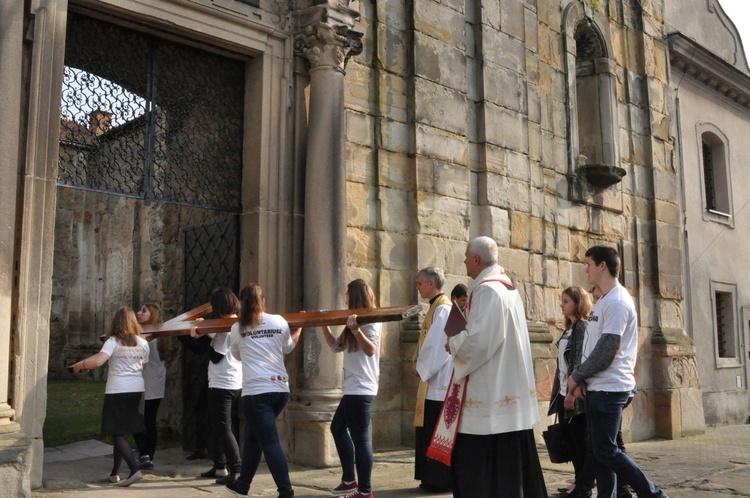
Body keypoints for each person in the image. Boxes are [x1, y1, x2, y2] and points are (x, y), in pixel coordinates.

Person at [445, 236, 547, 497]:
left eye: (466, 256)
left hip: (490, 393)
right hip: (506, 389)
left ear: (476, 259)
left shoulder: (488, 290)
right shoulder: (505, 286)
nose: (464, 261)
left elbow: (480, 341)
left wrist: (454, 344)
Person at [567, 246, 668, 498]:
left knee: (606, 451)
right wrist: (582, 379)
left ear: (603, 266)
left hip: (610, 388)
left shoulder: (618, 301)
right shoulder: (604, 300)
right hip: (599, 387)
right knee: (602, 453)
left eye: (589, 263)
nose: (586, 269)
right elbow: (592, 347)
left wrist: (577, 375)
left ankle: (654, 495)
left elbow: (607, 350)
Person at [226, 284, 302, 498]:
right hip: (279, 389)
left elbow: (236, 356)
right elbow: (288, 347)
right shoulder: (279, 320)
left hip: (256, 391)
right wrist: (298, 330)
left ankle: (286, 491)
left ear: (241, 303)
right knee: (253, 438)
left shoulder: (237, 328)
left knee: (269, 442)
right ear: (263, 301)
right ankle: (243, 485)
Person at [71, 307, 149, 487]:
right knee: (120, 430)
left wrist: (80, 365)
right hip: (136, 389)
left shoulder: (113, 341)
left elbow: (98, 361)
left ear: (116, 322)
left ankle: (134, 470)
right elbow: (143, 367)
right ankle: (114, 473)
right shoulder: (142, 343)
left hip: (117, 389)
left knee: (115, 431)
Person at [318, 279, 382, 498]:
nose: (345, 299)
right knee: (337, 428)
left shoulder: (371, 321)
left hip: (361, 387)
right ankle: (348, 480)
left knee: (361, 439)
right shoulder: (353, 321)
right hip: (352, 387)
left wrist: (356, 330)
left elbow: (371, 350)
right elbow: (337, 346)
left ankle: (365, 491)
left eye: (347, 295)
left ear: (354, 296)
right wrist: (324, 324)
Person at [190, 288, 243, 485]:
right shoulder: (232, 323)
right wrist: (203, 330)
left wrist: (200, 336)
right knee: (217, 425)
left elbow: (216, 355)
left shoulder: (229, 327)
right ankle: (220, 465)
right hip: (230, 380)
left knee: (223, 428)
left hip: (224, 382)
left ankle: (236, 470)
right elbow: (215, 339)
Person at [548, 287, 595, 498]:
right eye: (561, 300)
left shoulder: (582, 328)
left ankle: (583, 487)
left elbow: (578, 361)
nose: (561, 304)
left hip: (574, 394)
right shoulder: (569, 329)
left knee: (579, 441)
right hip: (563, 391)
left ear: (578, 302)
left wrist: (571, 392)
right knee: (571, 440)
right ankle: (578, 482)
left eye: (566, 301)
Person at [412, 268, 453, 492]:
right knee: (428, 430)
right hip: (433, 380)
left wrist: (422, 368)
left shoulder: (443, 309)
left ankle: (439, 480)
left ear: (430, 283)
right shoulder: (435, 308)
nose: (417, 287)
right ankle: (429, 477)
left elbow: (438, 345)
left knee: (435, 431)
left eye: (419, 283)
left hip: (439, 382)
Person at [133, 303, 167, 470]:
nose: (139, 313)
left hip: (149, 380)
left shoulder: (150, 336)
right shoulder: (155, 333)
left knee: (141, 418)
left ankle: (146, 454)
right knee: (146, 419)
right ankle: (147, 455)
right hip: (153, 379)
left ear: (152, 314)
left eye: (144, 311)